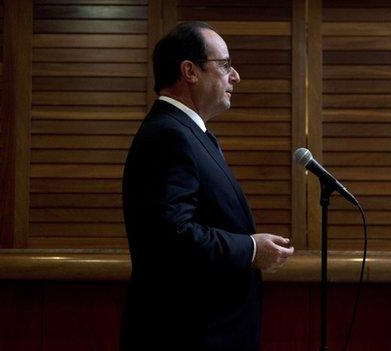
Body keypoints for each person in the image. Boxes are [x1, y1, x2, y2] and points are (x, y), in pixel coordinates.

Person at [120, 21, 295, 351]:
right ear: (190, 71)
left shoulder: (188, 133)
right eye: (225, 64)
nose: (235, 76)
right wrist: (252, 250)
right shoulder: (169, 136)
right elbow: (174, 239)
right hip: (185, 336)